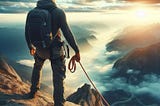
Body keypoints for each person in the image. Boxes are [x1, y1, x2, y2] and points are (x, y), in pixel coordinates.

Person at [25, 0, 80, 106]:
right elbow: (67, 33)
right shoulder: (58, 12)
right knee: (58, 77)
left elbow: (27, 31)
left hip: (39, 49)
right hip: (55, 51)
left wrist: (30, 46)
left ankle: (33, 92)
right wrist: (77, 50)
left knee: (37, 67)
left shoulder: (32, 12)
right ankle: (58, 102)